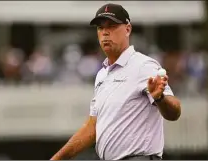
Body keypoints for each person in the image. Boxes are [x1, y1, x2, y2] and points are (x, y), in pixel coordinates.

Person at [50, 3, 181, 160]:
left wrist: (160, 98)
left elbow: (174, 112)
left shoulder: (143, 65)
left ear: (127, 29)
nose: (105, 33)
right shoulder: (102, 75)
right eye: (100, 28)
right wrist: (57, 158)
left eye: (111, 26)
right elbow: (93, 127)